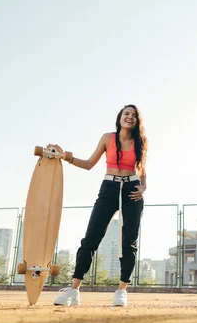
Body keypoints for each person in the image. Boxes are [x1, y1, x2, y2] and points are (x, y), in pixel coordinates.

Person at [49, 104, 147, 307]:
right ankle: (74, 290)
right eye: (126, 114)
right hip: (109, 188)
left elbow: (143, 171)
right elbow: (88, 164)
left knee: (129, 241)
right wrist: (64, 156)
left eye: (134, 115)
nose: (130, 117)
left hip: (132, 190)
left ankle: (121, 290)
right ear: (120, 117)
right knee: (91, 238)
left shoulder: (141, 142)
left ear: (137, 121)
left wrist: (143, 187)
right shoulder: (107, 138)